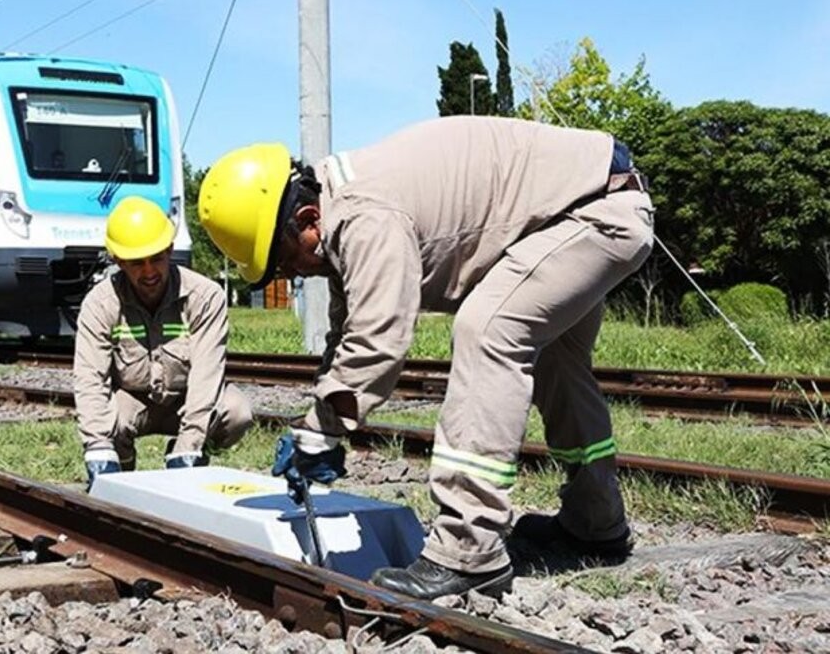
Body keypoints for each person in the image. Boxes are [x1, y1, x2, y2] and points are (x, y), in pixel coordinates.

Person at [198, 116, 654, 599]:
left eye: (286, 259)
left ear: (308, 219)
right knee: (559, 364)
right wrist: (317, 423)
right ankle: (596, 520)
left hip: (595, 211)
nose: (292, 273)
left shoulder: (361, 216)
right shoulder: (342, 215)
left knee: (489, 330)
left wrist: (322, 429)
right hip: (586, 205)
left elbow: (379, 337)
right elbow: (348, 333)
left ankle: (468, 550)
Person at [75, 195, 254, 489]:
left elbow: (207, 374)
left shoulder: (205, 297)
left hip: (187, 400)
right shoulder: (100, 303)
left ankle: (195, 458)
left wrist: (190, 443)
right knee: (108, 421)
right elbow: (89, 377)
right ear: (118, 260)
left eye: (156, 258)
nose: (148, 272)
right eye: (136, 263)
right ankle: (121, 478)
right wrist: (97, 446)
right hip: (132, 401)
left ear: (170, 250)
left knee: (236, 412)